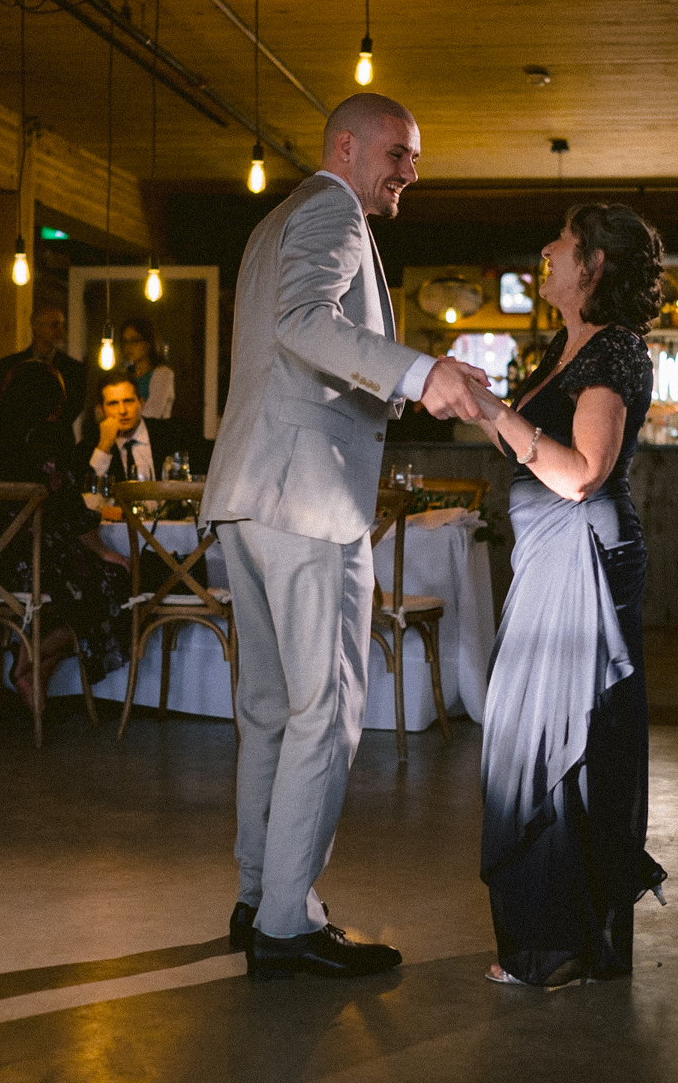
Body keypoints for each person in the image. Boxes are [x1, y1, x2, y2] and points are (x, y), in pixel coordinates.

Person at [199, 92, 487, 981]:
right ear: (346, 146)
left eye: (414, 158)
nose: (409, 172)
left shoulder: (272, 221)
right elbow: (300, 324)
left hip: (248, 492)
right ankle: (288, 920)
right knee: (326, 713)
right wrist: (416, 369)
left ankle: (258, 897)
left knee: (270, 710)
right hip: (307, 497)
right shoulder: (330, 211)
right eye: (400, 152)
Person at [465, 203, 669, 987]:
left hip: (583, 561)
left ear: (592, 267)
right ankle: (553, 935)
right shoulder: (570, 343)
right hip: (549, 557)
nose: (546, 248)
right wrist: (488, 404)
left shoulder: (616, 349)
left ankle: (563, 946)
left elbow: (581, 473)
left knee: (564, 748)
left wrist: (491, 411)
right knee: (530, 739)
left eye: (561, 241)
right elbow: (531, 447)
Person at [0, 361, 131, 710]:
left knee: (75, 594)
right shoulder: (45, 439)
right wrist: (102, 551)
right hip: (28, 565)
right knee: (119, 581)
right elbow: (70, 509)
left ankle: (33, 675)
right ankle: (32, 657)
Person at [83, 372, 205, 483]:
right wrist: (105, 445)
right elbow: (87, 495)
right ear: (101, 411)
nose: (122, 410)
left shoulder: (175, 433)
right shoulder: (90, 447)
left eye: (128, 401)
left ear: (141, 404)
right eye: (113, 404)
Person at [0, 302, 87, 430]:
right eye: (55, 325)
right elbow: (7, 407)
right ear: (36, 327)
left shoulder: (74, 369)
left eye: (62, 325)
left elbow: (73, 408)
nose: (61, 331)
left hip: (58, 442)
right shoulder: (9, 365)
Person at [119, 317, 174, 419]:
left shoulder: (163, 374)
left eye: (134, 341)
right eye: (125, 341)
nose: (128, 347)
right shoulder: (124, 374)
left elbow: (152, 413)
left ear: (148, 344)